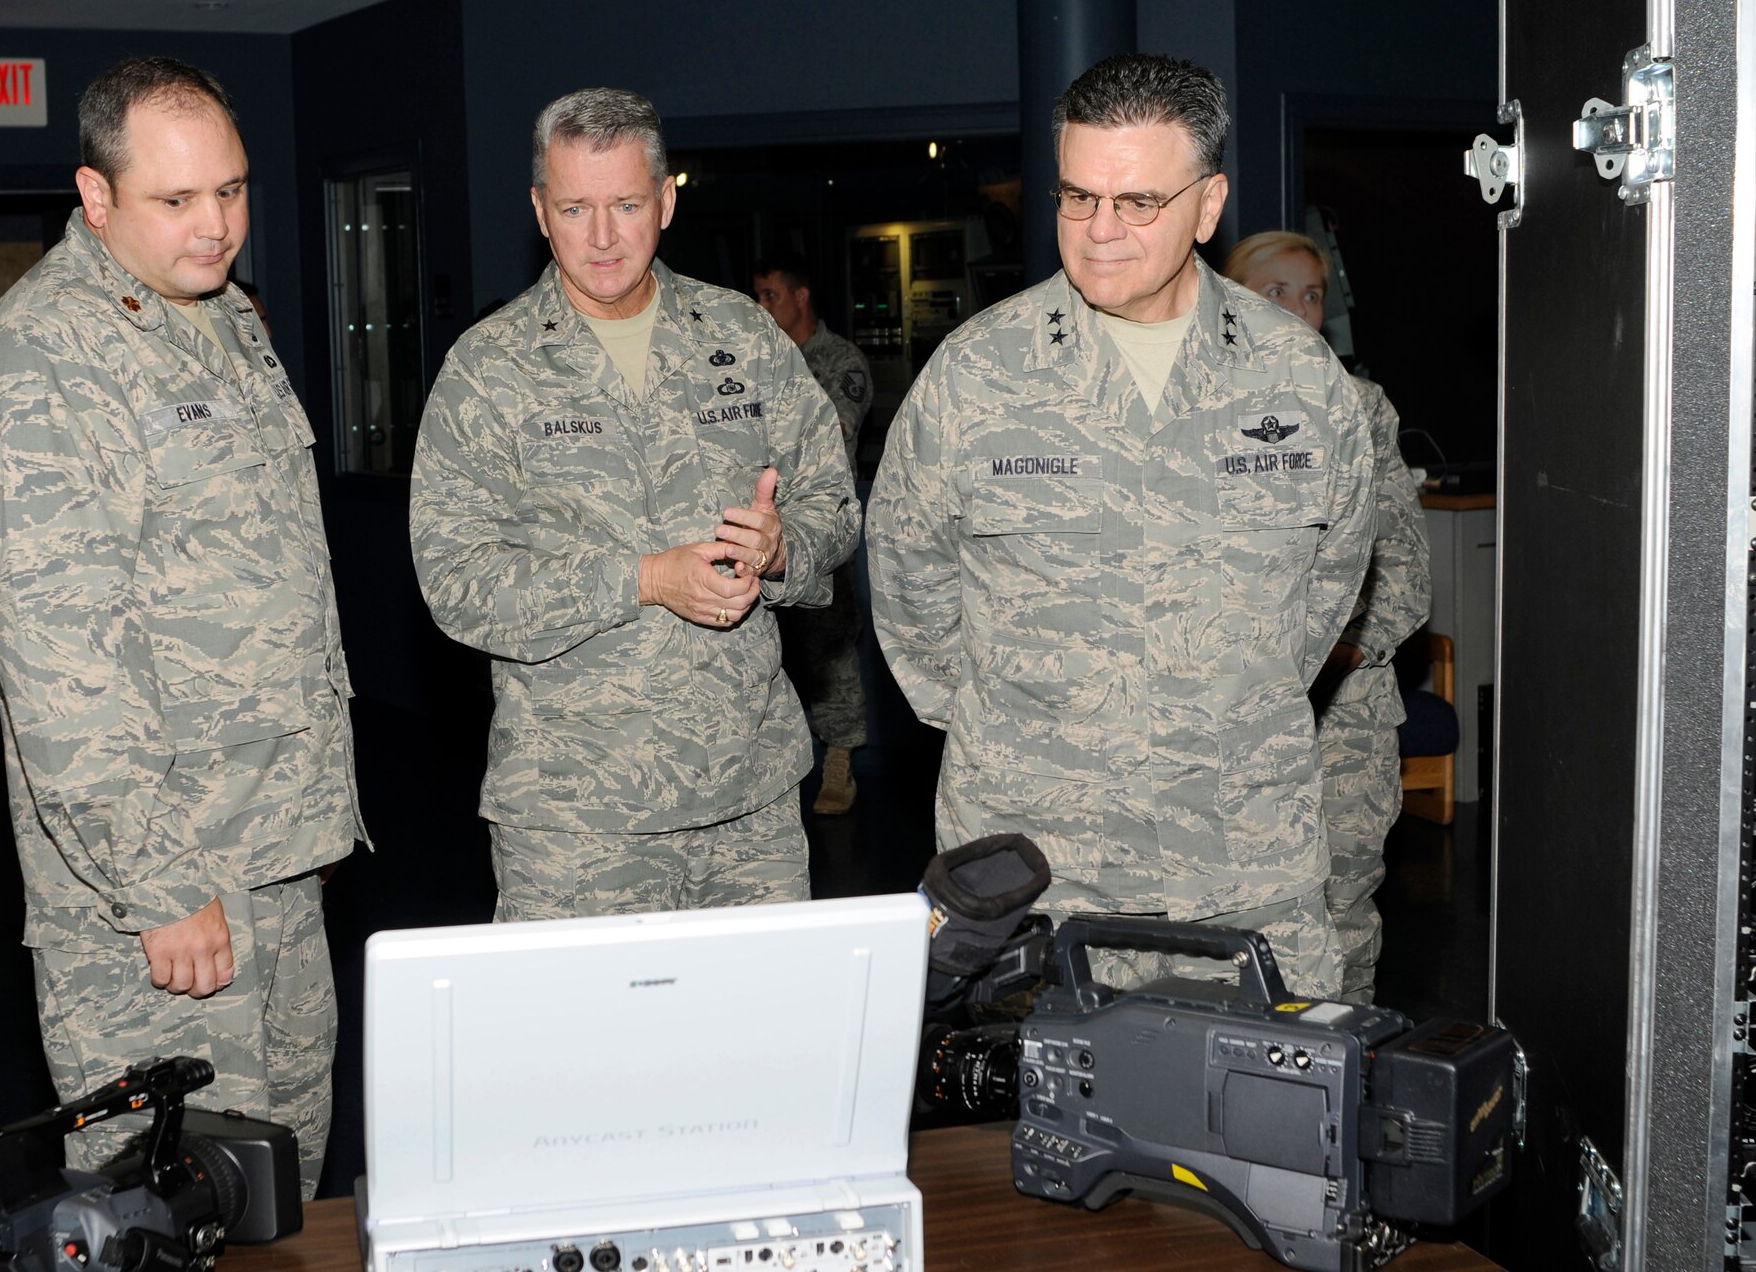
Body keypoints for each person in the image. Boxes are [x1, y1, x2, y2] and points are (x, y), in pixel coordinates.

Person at [866, 54, 1375, 997]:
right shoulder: (976, 378)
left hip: (1244, 872)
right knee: (1039, 1141)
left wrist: (1212, 709)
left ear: (1209, 203)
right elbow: (909, 592)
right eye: (1076, 197)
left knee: (1261, 1135)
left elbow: (1323, 598)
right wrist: (1032, 736)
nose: (1099, 232)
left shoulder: (1300, 385)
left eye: (1137, 202)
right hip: (1039, 875)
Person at [0, 56, 363, 1196]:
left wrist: (300, 836)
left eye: (229, 191)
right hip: (163, 898)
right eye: (175, 201)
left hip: (272, 857)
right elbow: (60, 655)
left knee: (282, 1187)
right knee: (165, 1205)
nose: (215, 226)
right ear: (95, 197)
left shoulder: (222, 319)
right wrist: (160, 883)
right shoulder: (44, 357)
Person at [410, 88, 858, 920]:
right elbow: (455, 581)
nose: (603, 236)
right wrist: (645, 578)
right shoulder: (489, 368)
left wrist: (782, 547)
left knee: (757, 1045)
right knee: (581, 1052)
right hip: (575, 821)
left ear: (667, 198)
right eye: (575, 208)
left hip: (748, 801)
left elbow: (833, 501)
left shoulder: (744, 337)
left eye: (625, 204)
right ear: (541, 212)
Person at [1224, 230, 1430, 1004]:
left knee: (1341, 913)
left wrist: (1342, 651)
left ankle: (1343, 1093)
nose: (1299, 309)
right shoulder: (1186, 409)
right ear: (1234, 301)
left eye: (1312, 294)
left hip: (1341, 715)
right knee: (1230, 924)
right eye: (1277, 291)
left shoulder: (1361, 411)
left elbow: (1404, 569)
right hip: (1223, 716)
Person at [752, 253, 872, 814]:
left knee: (830, 650)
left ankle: (840, 763)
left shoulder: (839, 361)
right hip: (763, 530)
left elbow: (833, 434)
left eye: (770, 295)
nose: (760, 306)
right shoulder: (759, 363)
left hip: (819, 527)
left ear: (800, 297)